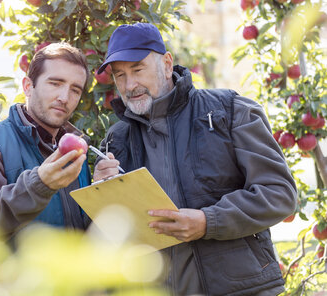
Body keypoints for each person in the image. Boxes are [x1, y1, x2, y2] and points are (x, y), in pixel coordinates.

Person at [93, 23, 297, 296]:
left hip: (241, 289)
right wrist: (103, 195)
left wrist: (208, 221)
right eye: (120, 76)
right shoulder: (116, 140)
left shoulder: (230, 111)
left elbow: (280, 194)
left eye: (138, 69)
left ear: (166, 64)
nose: (130, 85)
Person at [0, 42, 91, 238]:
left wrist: (101, 193)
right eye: (55, 83)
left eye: (75, 90)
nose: (64, 97)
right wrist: (40, 185)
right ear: (28, 86)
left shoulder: (76, 150)